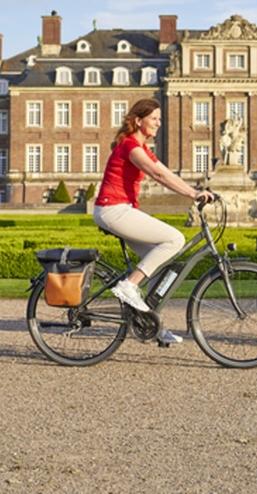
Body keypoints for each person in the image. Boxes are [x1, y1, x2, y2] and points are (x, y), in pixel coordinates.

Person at [93, 98, 215, 345]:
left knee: (159, 263)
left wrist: (195, 190)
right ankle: (129, 286)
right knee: (175, 239)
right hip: (112, 209)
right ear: (138, 121)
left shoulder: (142, 147)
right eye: (154, 119)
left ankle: (151, 324)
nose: (159, 123)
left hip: (121, 209)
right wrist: (192, 195)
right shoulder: (130, 146)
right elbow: (158, 175)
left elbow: (167, 172)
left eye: (160, 119)